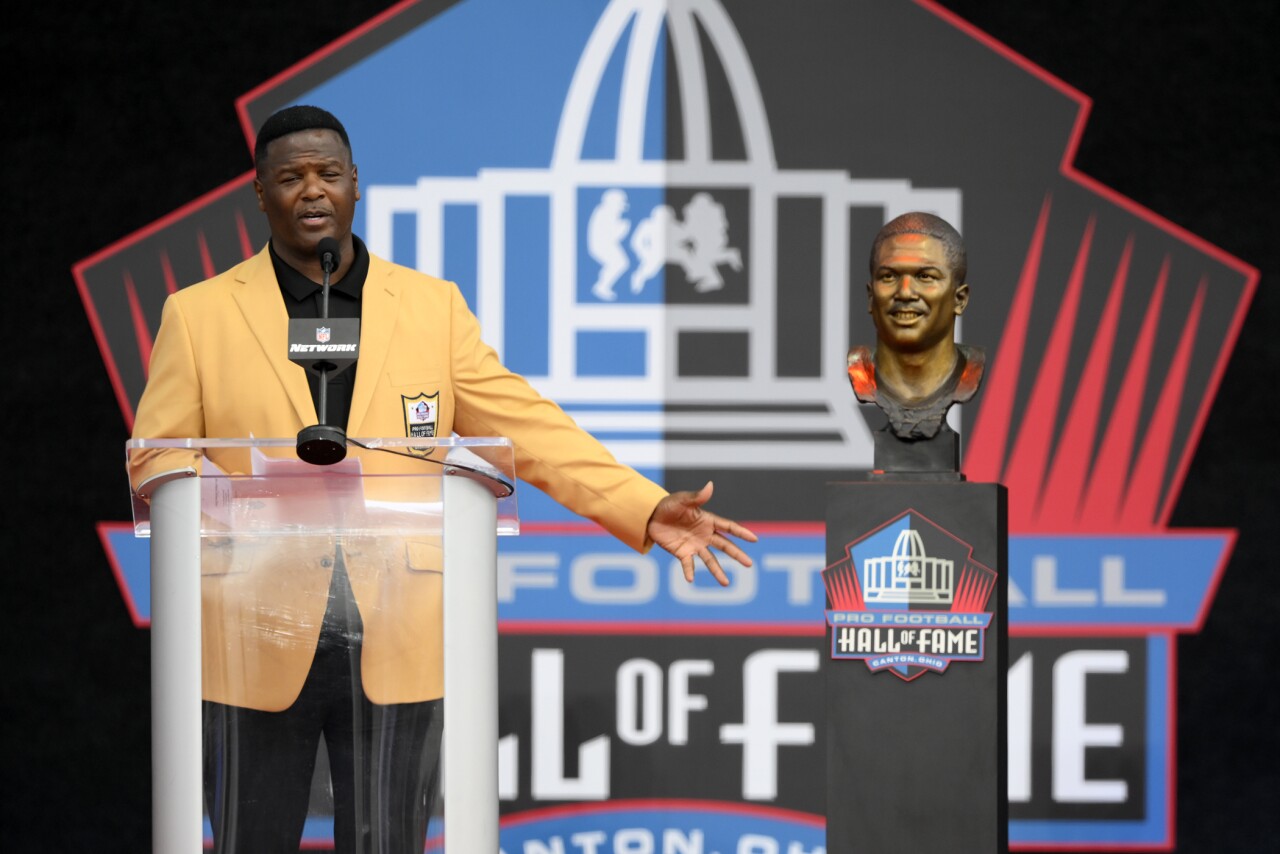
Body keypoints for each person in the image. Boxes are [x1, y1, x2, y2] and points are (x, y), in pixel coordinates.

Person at [129, 105, 756, 853]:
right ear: (260, 195)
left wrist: (645, 507)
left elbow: (527, 427)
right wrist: (248, 503)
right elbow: (155, 453)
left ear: (357, 184)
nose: (313, 191)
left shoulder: (430, 308)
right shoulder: (199, 315)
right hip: (254, 637)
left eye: (329, 173)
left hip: (396, 634)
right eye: (290, 178)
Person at [847, 211, 983, 440]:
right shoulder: (862, 373)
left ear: (959, 299)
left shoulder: (967, 375)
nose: (905, 292)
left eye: (925, 276)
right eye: (889, 276)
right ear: (871, 297)